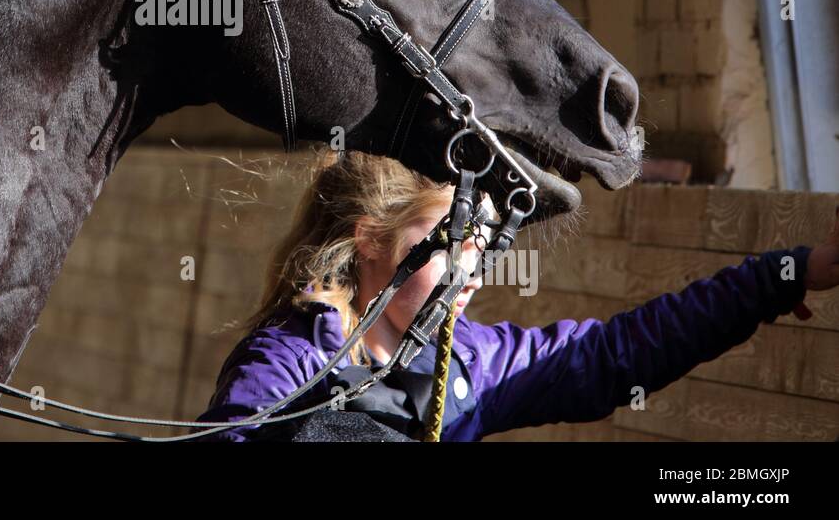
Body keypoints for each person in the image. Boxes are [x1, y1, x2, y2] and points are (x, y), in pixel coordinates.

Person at [198, 150, 839, 441]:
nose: (474, 272)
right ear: (371, 240)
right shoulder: (288, 356)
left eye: (482, 246)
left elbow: (621, 352)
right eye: (452, 243)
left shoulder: (473, 363)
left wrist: (786, 274)